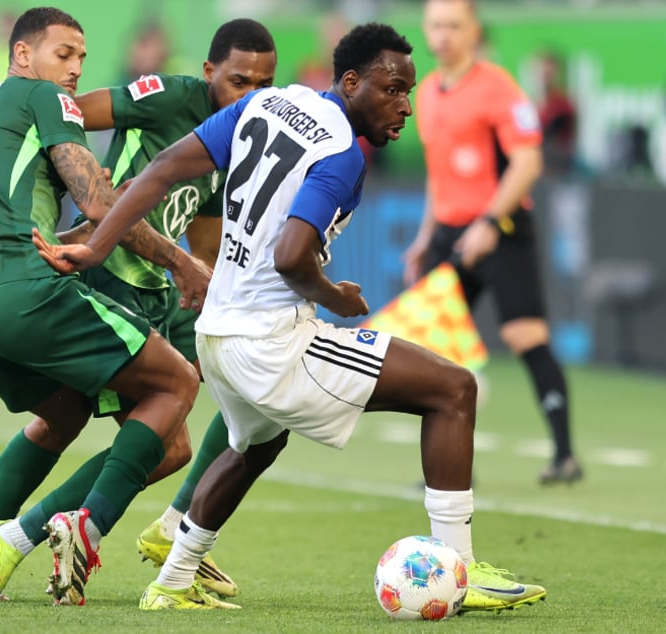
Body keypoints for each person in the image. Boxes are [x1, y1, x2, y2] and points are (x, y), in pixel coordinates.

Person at [33, 22, 548, 613]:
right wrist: (336, 298)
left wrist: (97, 246)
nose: (403, 106)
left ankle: (172, 582)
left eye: (409, 91)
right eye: (390, 89)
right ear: (350, 82)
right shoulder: (340, 154)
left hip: (217, 334)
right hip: (271, 340)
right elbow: (290, 257)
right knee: (454, 389)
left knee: (256, 444)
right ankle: (460, 566)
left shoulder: (263, 103)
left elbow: (163, 169)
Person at [0, 18, 278, 605]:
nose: (75, 69)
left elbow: (205, 244)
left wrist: (198, 271)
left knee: (67, 415)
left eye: (82, 57)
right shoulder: (60, 98)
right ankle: (49, 535)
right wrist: (174, 259)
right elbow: (98, 199)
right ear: (22, 53)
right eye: (63, 54)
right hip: (70, 283)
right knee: (173, 413)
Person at [403, 0, 581, 485]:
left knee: (525, 336)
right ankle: (451, 468)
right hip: (448, 232)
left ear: (473, 30)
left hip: (500, 228)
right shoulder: (430, 93)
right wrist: (424, 237)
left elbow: (528, 162)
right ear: (426, 29)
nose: (444, 35)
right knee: (435, 349)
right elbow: (438, 177)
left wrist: (487, 222)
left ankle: (565, 455)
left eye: (454, 26)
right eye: (436, 26)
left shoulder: (498, 86)